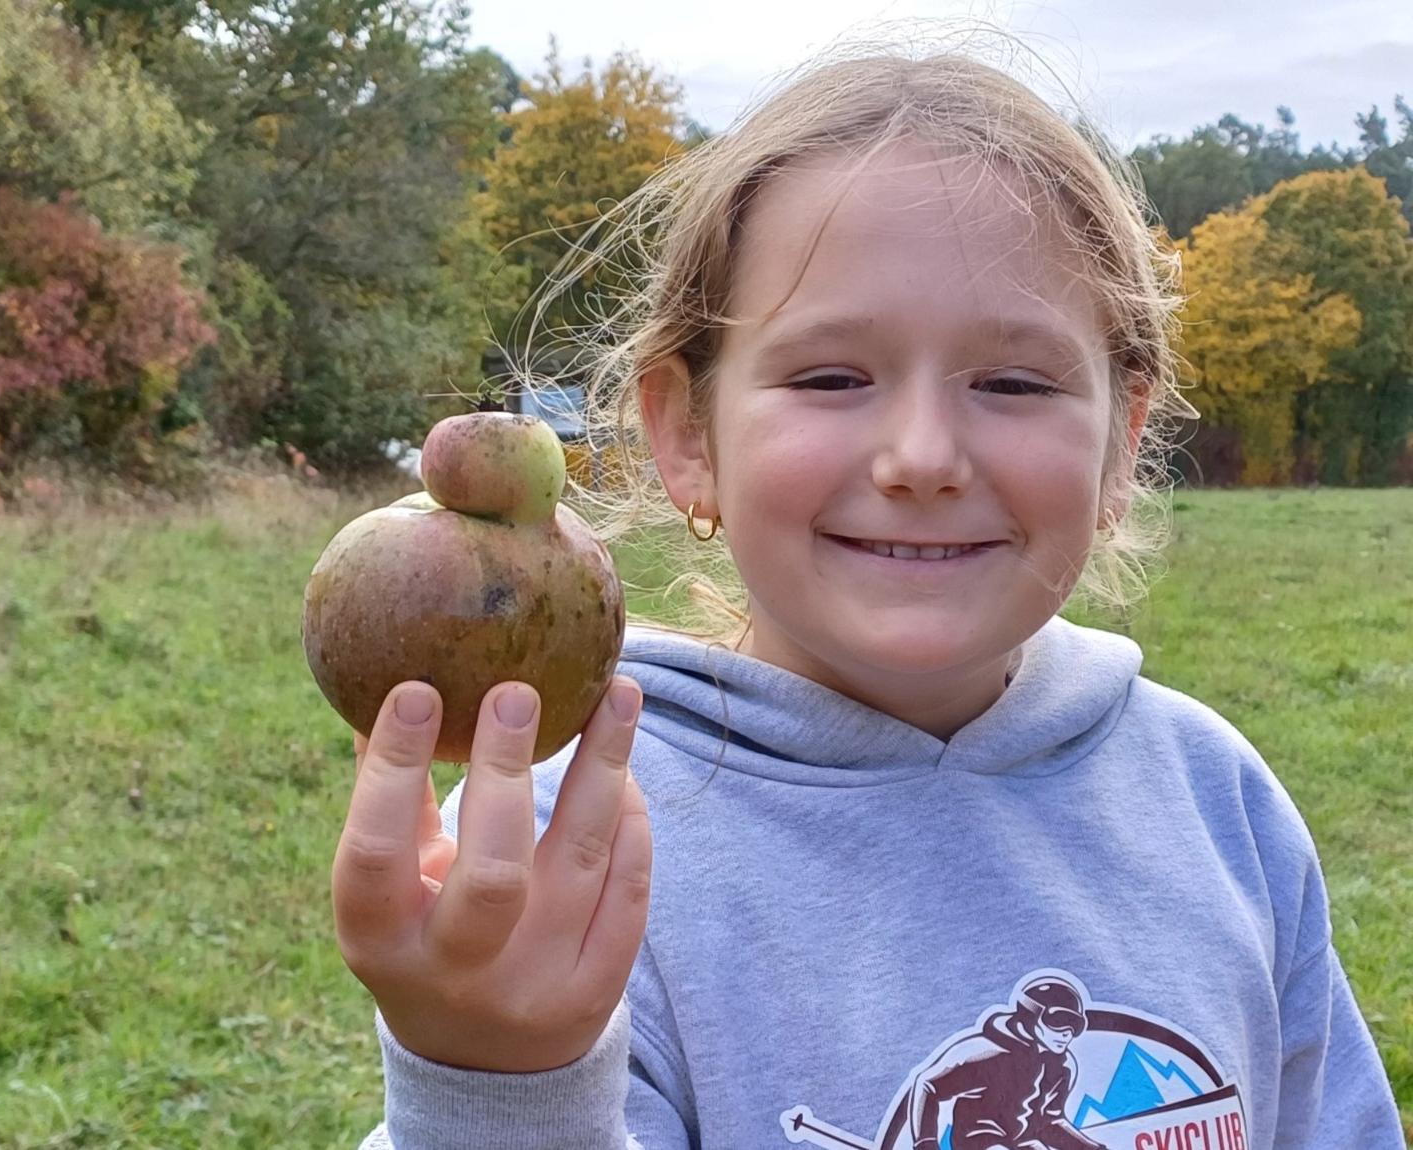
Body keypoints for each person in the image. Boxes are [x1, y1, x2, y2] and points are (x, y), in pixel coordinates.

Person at [329, 45, 1406, 1150]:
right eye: (830, 377)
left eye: (1012, 383)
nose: (921, 457)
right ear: (686, 435)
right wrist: (501, 1090)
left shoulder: (1215, 804)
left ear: (1119, 444)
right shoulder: (565, 849)